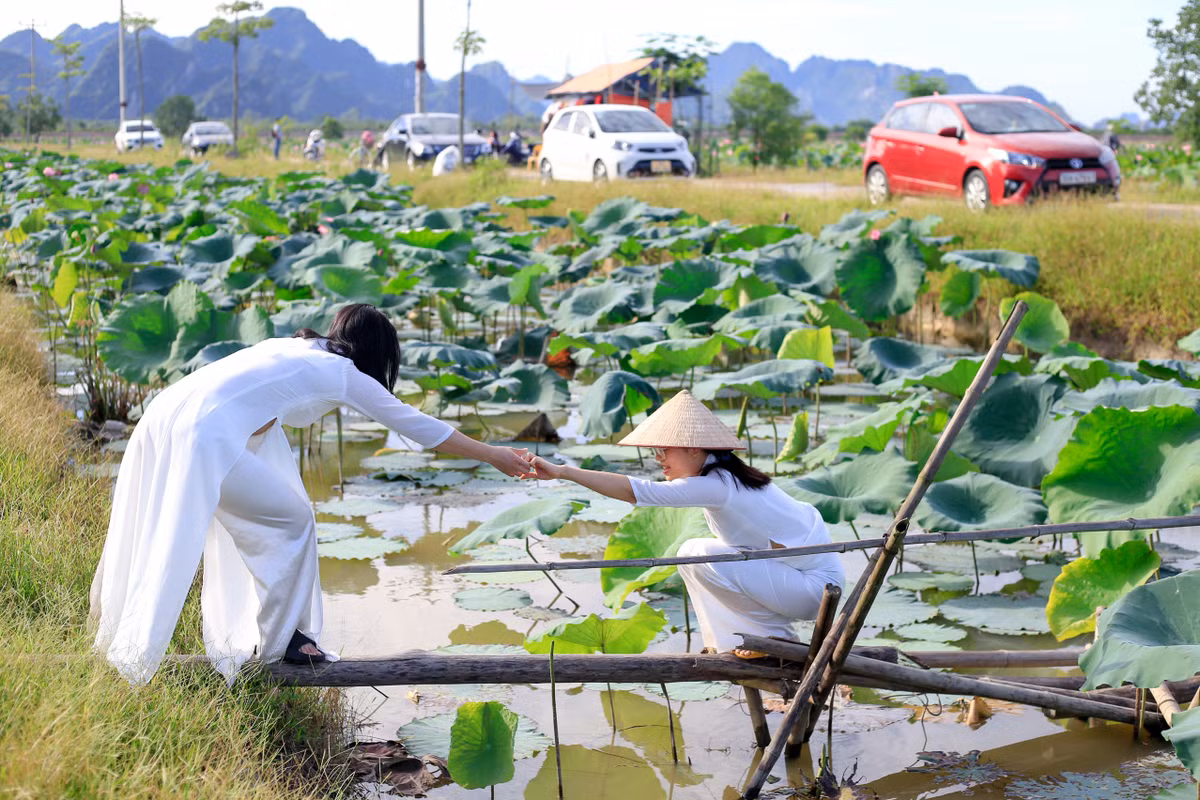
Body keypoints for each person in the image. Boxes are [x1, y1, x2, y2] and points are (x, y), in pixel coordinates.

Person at [90, 304, 533, 685]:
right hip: (202, 433)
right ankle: (281, 642)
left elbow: (253, 402)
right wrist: (493, 454)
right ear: (379, 354)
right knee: (290, 521)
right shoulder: (343, 373)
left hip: (166, 414)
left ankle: (278, 634)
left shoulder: (294, 347)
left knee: (269, 517)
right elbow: (419, 426)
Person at [522, 390, 844, 658]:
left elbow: (636, 492)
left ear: (692, 446)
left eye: (665, 449)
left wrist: (563, 471)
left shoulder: (718, 483)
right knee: (694, 553)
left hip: (814, 590)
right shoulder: (729, 476)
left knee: (698, 552)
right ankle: (735, 641)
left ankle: (775, 641)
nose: (659, 457)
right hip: (804, 583)